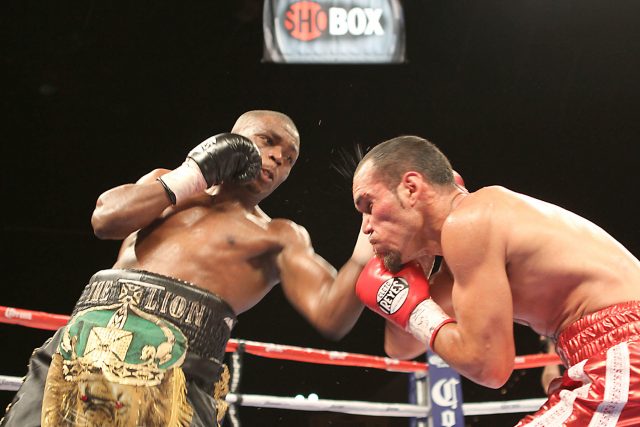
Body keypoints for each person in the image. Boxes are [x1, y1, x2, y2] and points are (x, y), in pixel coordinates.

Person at [1, 110, 371, 427]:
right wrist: (193, 174)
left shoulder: (278, 235)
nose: (277, 157)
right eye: (268, 141)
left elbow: (331, 314)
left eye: (289, 157)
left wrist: (370, 238)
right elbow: (105, 219)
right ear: (234, 139)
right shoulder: (166, 186)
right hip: (76, 352)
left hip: (173, 376)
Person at [352, 135, 640, 425]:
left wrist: (416, 311)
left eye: (369, 206)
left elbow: (488, 367)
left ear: (410, 188)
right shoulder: (461, 260)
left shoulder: (471, 220)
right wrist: (410, 283)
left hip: (624, 350)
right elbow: (402, 347)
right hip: (607, 355)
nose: (366, 228)